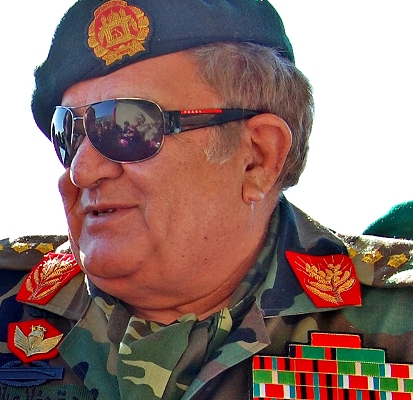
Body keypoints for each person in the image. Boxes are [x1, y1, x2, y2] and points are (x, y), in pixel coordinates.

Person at [1, 1, 413, 399]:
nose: (82, 171)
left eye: (127, 127)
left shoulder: (398, 317)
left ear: (257, 158)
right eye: (69, 134)